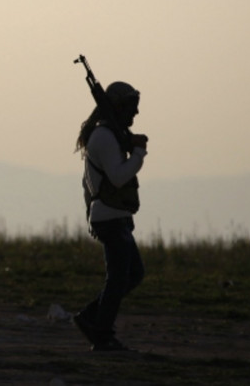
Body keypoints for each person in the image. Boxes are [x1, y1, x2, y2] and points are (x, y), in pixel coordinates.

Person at [73, 81, 148, 351]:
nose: (136, 114)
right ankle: (101, 335)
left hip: (113, 217)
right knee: (120, 278)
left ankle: (92, 319)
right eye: (132, 108)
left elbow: (88, 182)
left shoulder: (108, 135)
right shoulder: (105, 137)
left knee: (132, 274)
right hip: (111, 218)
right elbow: (117, 178)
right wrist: (138, 153)